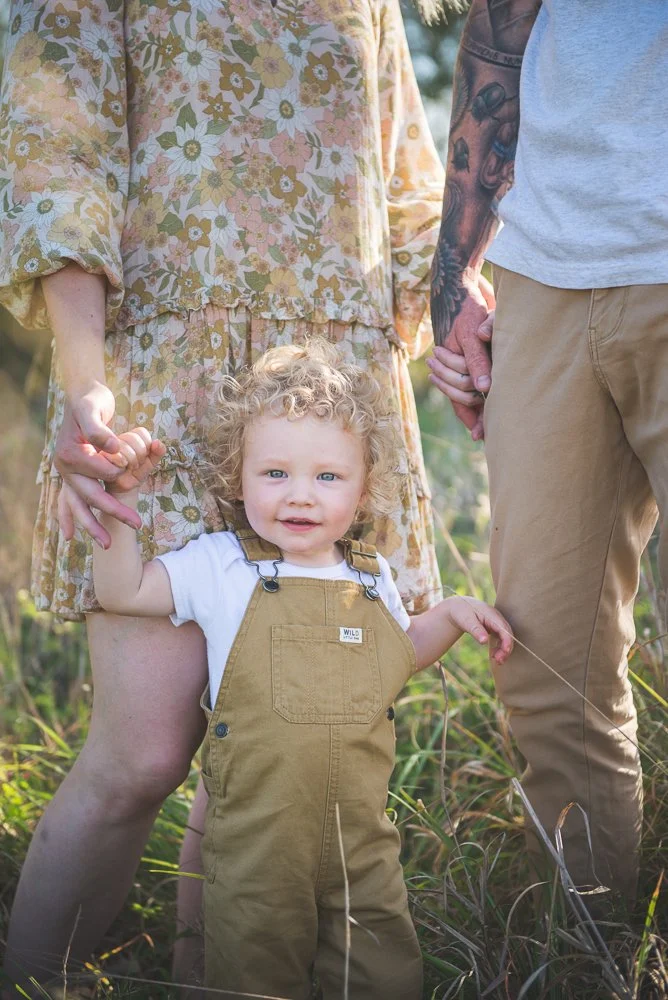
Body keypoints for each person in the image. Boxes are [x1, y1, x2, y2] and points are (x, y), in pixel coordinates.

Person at [0, 0, 448, 989]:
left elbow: (413, 197)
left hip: (332, 405)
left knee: (277, 751)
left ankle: (213, 979)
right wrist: (86, 390)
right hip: (162, 381)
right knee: (141, 757)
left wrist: (468, 324)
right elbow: (56, 167)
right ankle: (34, 982)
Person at [90, 340, 513, 999]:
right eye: (275, 474)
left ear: (365, 487)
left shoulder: (373, 582)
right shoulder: (221, 565)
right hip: (258, 846)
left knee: (384, 975)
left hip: (363, 847)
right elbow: (124, 593)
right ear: (239, 476)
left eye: (327, 477)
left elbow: (393, 662)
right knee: (255, 976)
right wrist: (119, 510)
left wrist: (452, 614)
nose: (300, 496)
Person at [427, 0, 668, 907]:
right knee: (543, 660)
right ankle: (584, 948)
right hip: (544, 272)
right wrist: (455, 278)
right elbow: (498, 40)